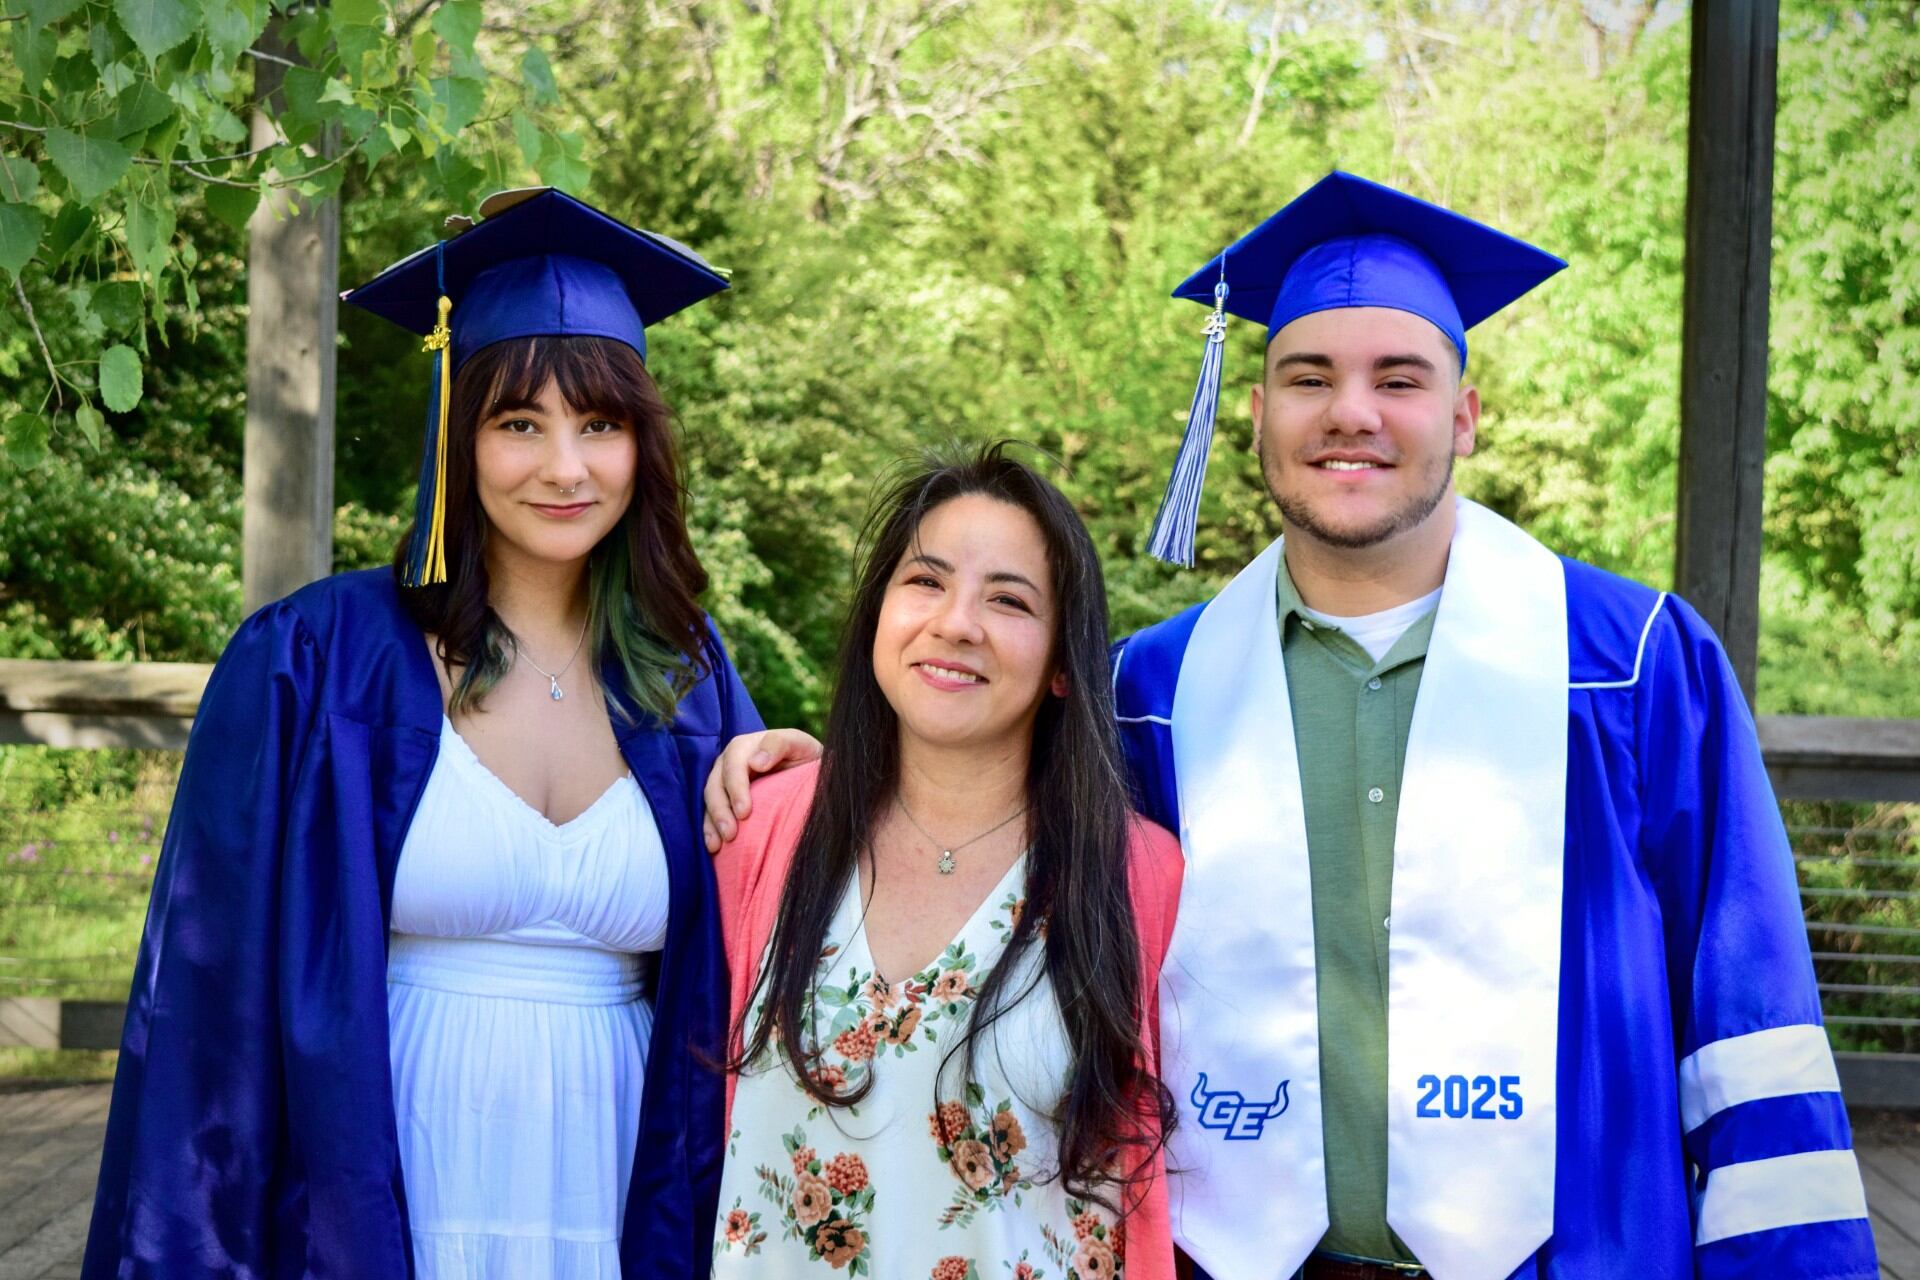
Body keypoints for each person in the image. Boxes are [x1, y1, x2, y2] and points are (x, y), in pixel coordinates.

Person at [703, 173, 1877, 1280]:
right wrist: (828, 766)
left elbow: (1751, 1019)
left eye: (1399, 378)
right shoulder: (1153, 690)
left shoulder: (1629, 669)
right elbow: (989, 826)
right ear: (1257, 413)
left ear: (1465, 414)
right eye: (1310, 376)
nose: (1351, 412)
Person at [85, 188, 760, 1280]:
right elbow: (209, 998)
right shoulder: (315, 657)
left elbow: (771, 934)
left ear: (642, 443)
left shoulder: (687, 673)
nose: (565, 466)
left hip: (620, 1174)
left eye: (600, 424)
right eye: (519, 423)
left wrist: (800, 784)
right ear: (458, 434)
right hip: (385, 1171)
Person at [708, 444, 1184, 1279]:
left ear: (1063, 666)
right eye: (925, 581)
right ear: (878, 615)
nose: (957, 623)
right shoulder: (761, 830)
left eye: (1008, 599)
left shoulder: (1137, 874)